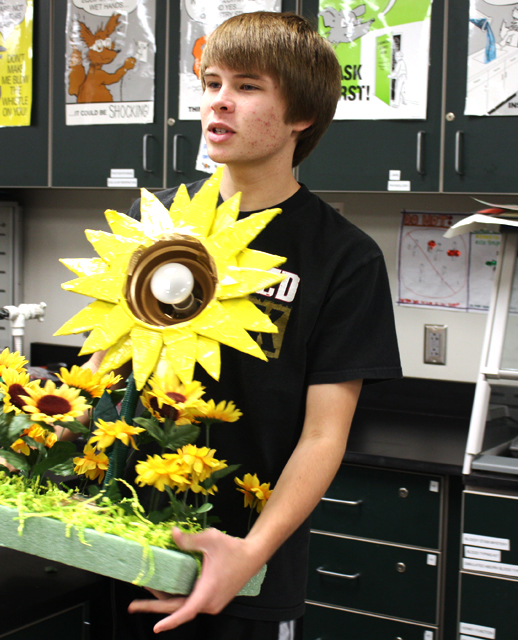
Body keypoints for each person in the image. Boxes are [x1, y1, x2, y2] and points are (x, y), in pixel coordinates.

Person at [94, 11, 401, 639]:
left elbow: (323, 436)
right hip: (116, 545)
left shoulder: (344, 257)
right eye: (210, 83)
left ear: (301, 116)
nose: (219, 102)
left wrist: (250, 553)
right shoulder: (156, 222)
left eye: (248, 86)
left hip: (235, 564)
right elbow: (107, 361)